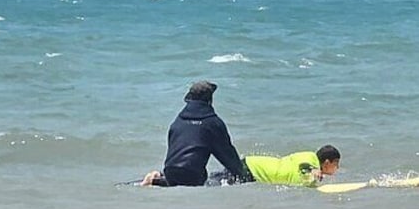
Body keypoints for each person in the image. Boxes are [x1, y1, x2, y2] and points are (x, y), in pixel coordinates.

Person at [142, 81, 245, 187]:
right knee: (221, 177)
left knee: (181, 177)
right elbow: (227, 155)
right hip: (194, 177)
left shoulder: (178, 122)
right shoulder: (213, 123)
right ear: (209, 100)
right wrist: (242, 174)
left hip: (170, 173)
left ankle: (156, 180)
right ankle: (157, 180)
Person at [207, 145, 341, 187]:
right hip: (252, 171)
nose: (337, 168)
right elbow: (303, 166)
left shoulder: (308, 156)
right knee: (210, 184)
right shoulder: (310, 160)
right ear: (327, 162)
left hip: (250, 165)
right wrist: (314, 170)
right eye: (336, 164)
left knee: (208, 181)